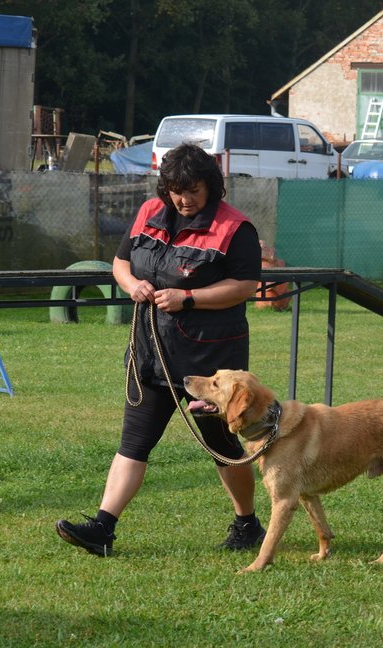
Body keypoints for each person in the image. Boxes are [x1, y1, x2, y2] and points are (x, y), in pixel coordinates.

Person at [56, 143, 265, 557]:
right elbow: (121, 264)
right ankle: (102, 529)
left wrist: (189, 298)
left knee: (222, 449)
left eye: (193, 190)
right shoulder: (149, 212)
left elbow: (244, 286)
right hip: (151, 355)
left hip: (210, 366)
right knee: (133, 444)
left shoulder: (235, 228)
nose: (184, 199)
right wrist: (133, 285)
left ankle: (247, 524)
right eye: (175, 189)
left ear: (211, 186)